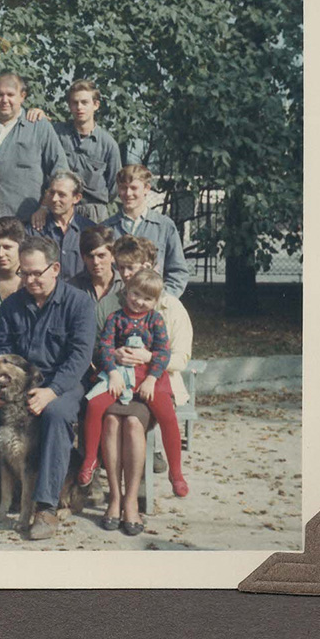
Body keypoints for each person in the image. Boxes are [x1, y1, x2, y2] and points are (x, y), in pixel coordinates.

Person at [0, 236, 96, 539]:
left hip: (62, 382)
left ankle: (45, 506)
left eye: (36, 273)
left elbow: (80, 357)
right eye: (24, 273)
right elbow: (2, 348)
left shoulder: (79, 303)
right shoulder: (12, 305)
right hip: (15, 381)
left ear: (55, 269)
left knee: (56, 415)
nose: (29, 280)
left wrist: (52, 391)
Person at [80, 269, 189, 536]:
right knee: (95, 406)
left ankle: (176, 472)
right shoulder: (115, 318)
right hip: (120, 376)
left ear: (156, 301)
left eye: (147, 298)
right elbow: (105, 347)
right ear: (126, 291)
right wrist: (113, 372)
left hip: (148, 377)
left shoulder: (156, 320)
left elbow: (163, 352)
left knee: (167, 414)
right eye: (136, 294)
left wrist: (152, 378)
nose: (139, 302)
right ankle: (90, 461)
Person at [96, 235, 194, 480]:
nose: (125, 274)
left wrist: (148, 357)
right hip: (119, 379)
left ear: (148, 266)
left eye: (131, 267)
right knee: (110, 417)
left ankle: (143, 484)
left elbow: (181, 359)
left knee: (132, 421)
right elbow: (96, 347)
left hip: (157, 382)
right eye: (121, 268)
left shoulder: (171, 307)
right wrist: (113, 354)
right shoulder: (109, 305)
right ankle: (106, 479)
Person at [0, 72, 67, 248]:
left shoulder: (39, 127)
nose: (5, 100)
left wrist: (44, 207)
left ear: (22, 96)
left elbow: (60, 172)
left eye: (10, 94)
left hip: (29, 222)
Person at [27, 79, 122, 222]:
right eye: (75, 103)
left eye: (84, 102)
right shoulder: (56, 133)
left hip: (93, 212)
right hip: (57, 208)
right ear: (69, 106)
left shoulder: (108, 144)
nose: (79, 107)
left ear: (95, 105)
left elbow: (114, 187)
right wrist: (36, 114)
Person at [100, 164, 189, 297]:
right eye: (123, 188)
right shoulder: (107, 228)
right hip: (117, 301)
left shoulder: (164, 226)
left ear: (146, 188)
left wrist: (161, 298)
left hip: (152, 302)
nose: (128, 193)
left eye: (134, 188)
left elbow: (178, 272)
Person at [25, 170, 95, 279]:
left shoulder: (90, 231)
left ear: (76, 198)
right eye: (51, 193)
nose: (54, 199)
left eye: (61, 195)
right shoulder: (34, 230)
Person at [68, 225, 124, 306]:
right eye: (90, 256)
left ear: (113, 256)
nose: (96, 262)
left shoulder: (125, 285)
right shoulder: (73, 287)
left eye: (101, 256)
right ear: (83, 258)